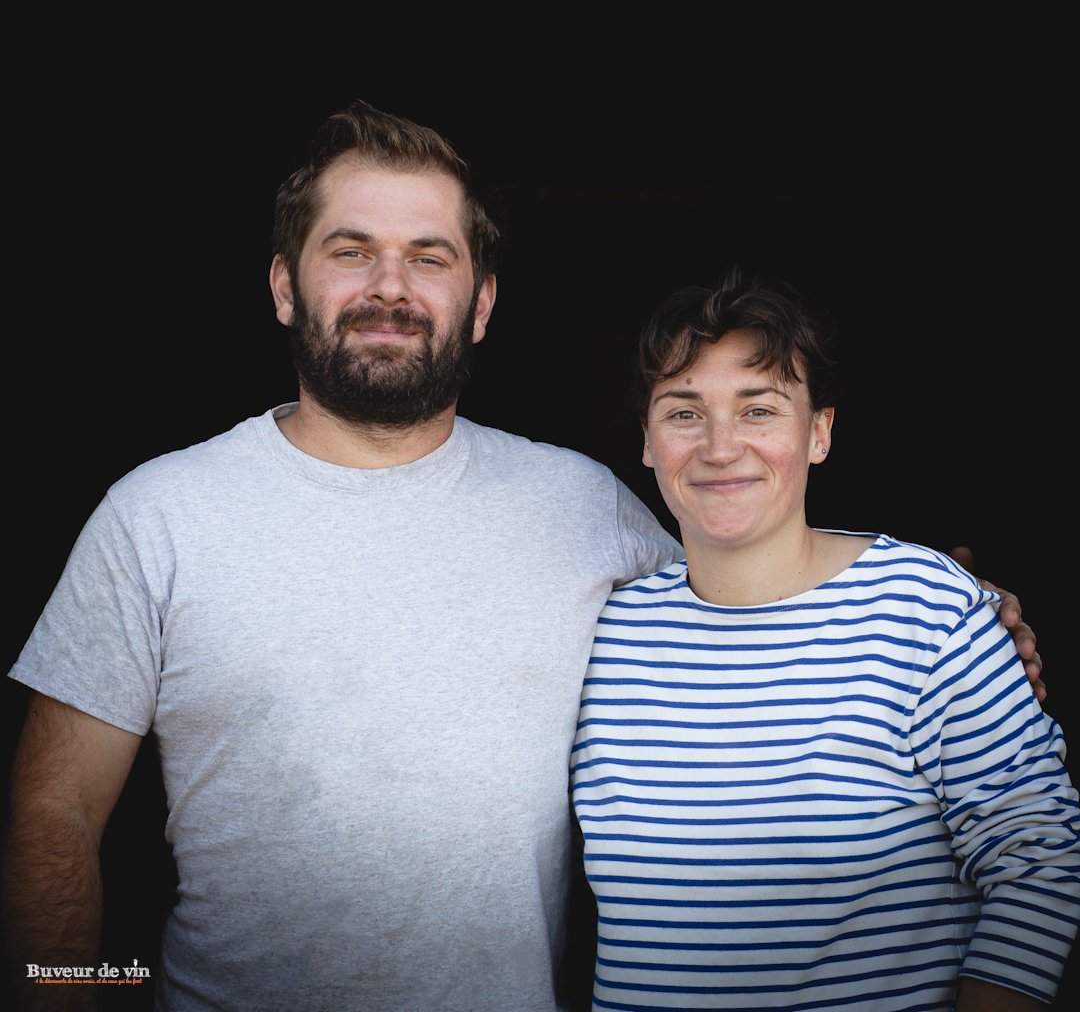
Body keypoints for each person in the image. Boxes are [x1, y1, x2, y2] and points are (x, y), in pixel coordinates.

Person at [1, 103, 1041, 1012]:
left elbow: (751, 574)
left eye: (431, 255)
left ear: (483, 301)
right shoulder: (157, 515)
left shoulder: (583, 507)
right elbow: (55, 811)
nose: (389, 286)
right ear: (284, 284)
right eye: (349, 248)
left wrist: (959, 621)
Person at [571, 273, 1078, 1010]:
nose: (719, 447)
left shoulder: (925, 610)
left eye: (759, 409)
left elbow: (1037, 858)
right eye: (684, 412)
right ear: (646, 442)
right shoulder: (603, 635)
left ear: (820, 432)